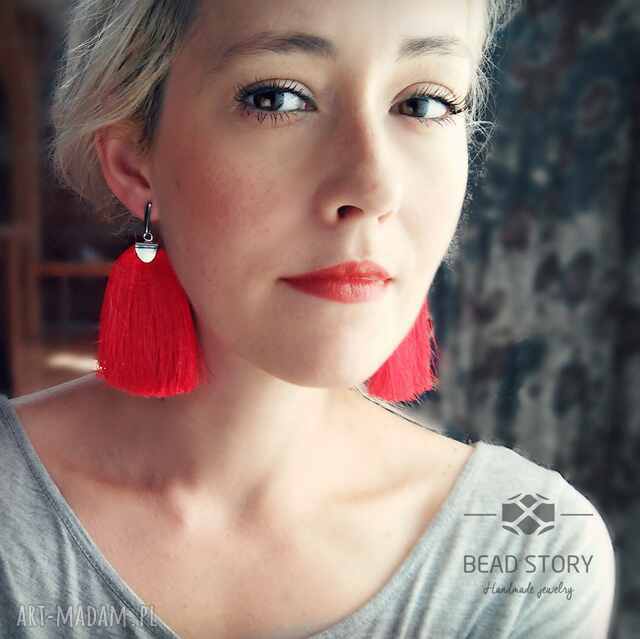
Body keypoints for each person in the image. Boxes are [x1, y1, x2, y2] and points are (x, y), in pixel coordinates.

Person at [0, 1, 616, 638]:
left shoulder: (527, 555)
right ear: (133, 161)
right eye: (276, 98)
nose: (374, 188)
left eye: (424, 103)